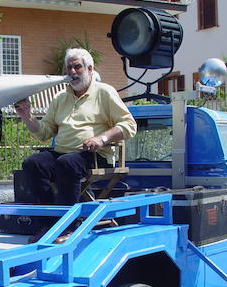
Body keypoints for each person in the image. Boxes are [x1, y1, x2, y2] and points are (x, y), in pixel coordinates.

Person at [13, 48, 137, 240]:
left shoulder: (105, 92)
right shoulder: (60, 98)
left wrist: (101, 138)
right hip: (64, 154)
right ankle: (48, 225)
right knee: (33, 163)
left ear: (89, 69)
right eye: (68, 68)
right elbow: (44, 132)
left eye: (77, 67)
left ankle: (69, 227)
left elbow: (129, 125)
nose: (72, 72)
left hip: (95, 155)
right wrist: (27, 116)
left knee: (67, 163)